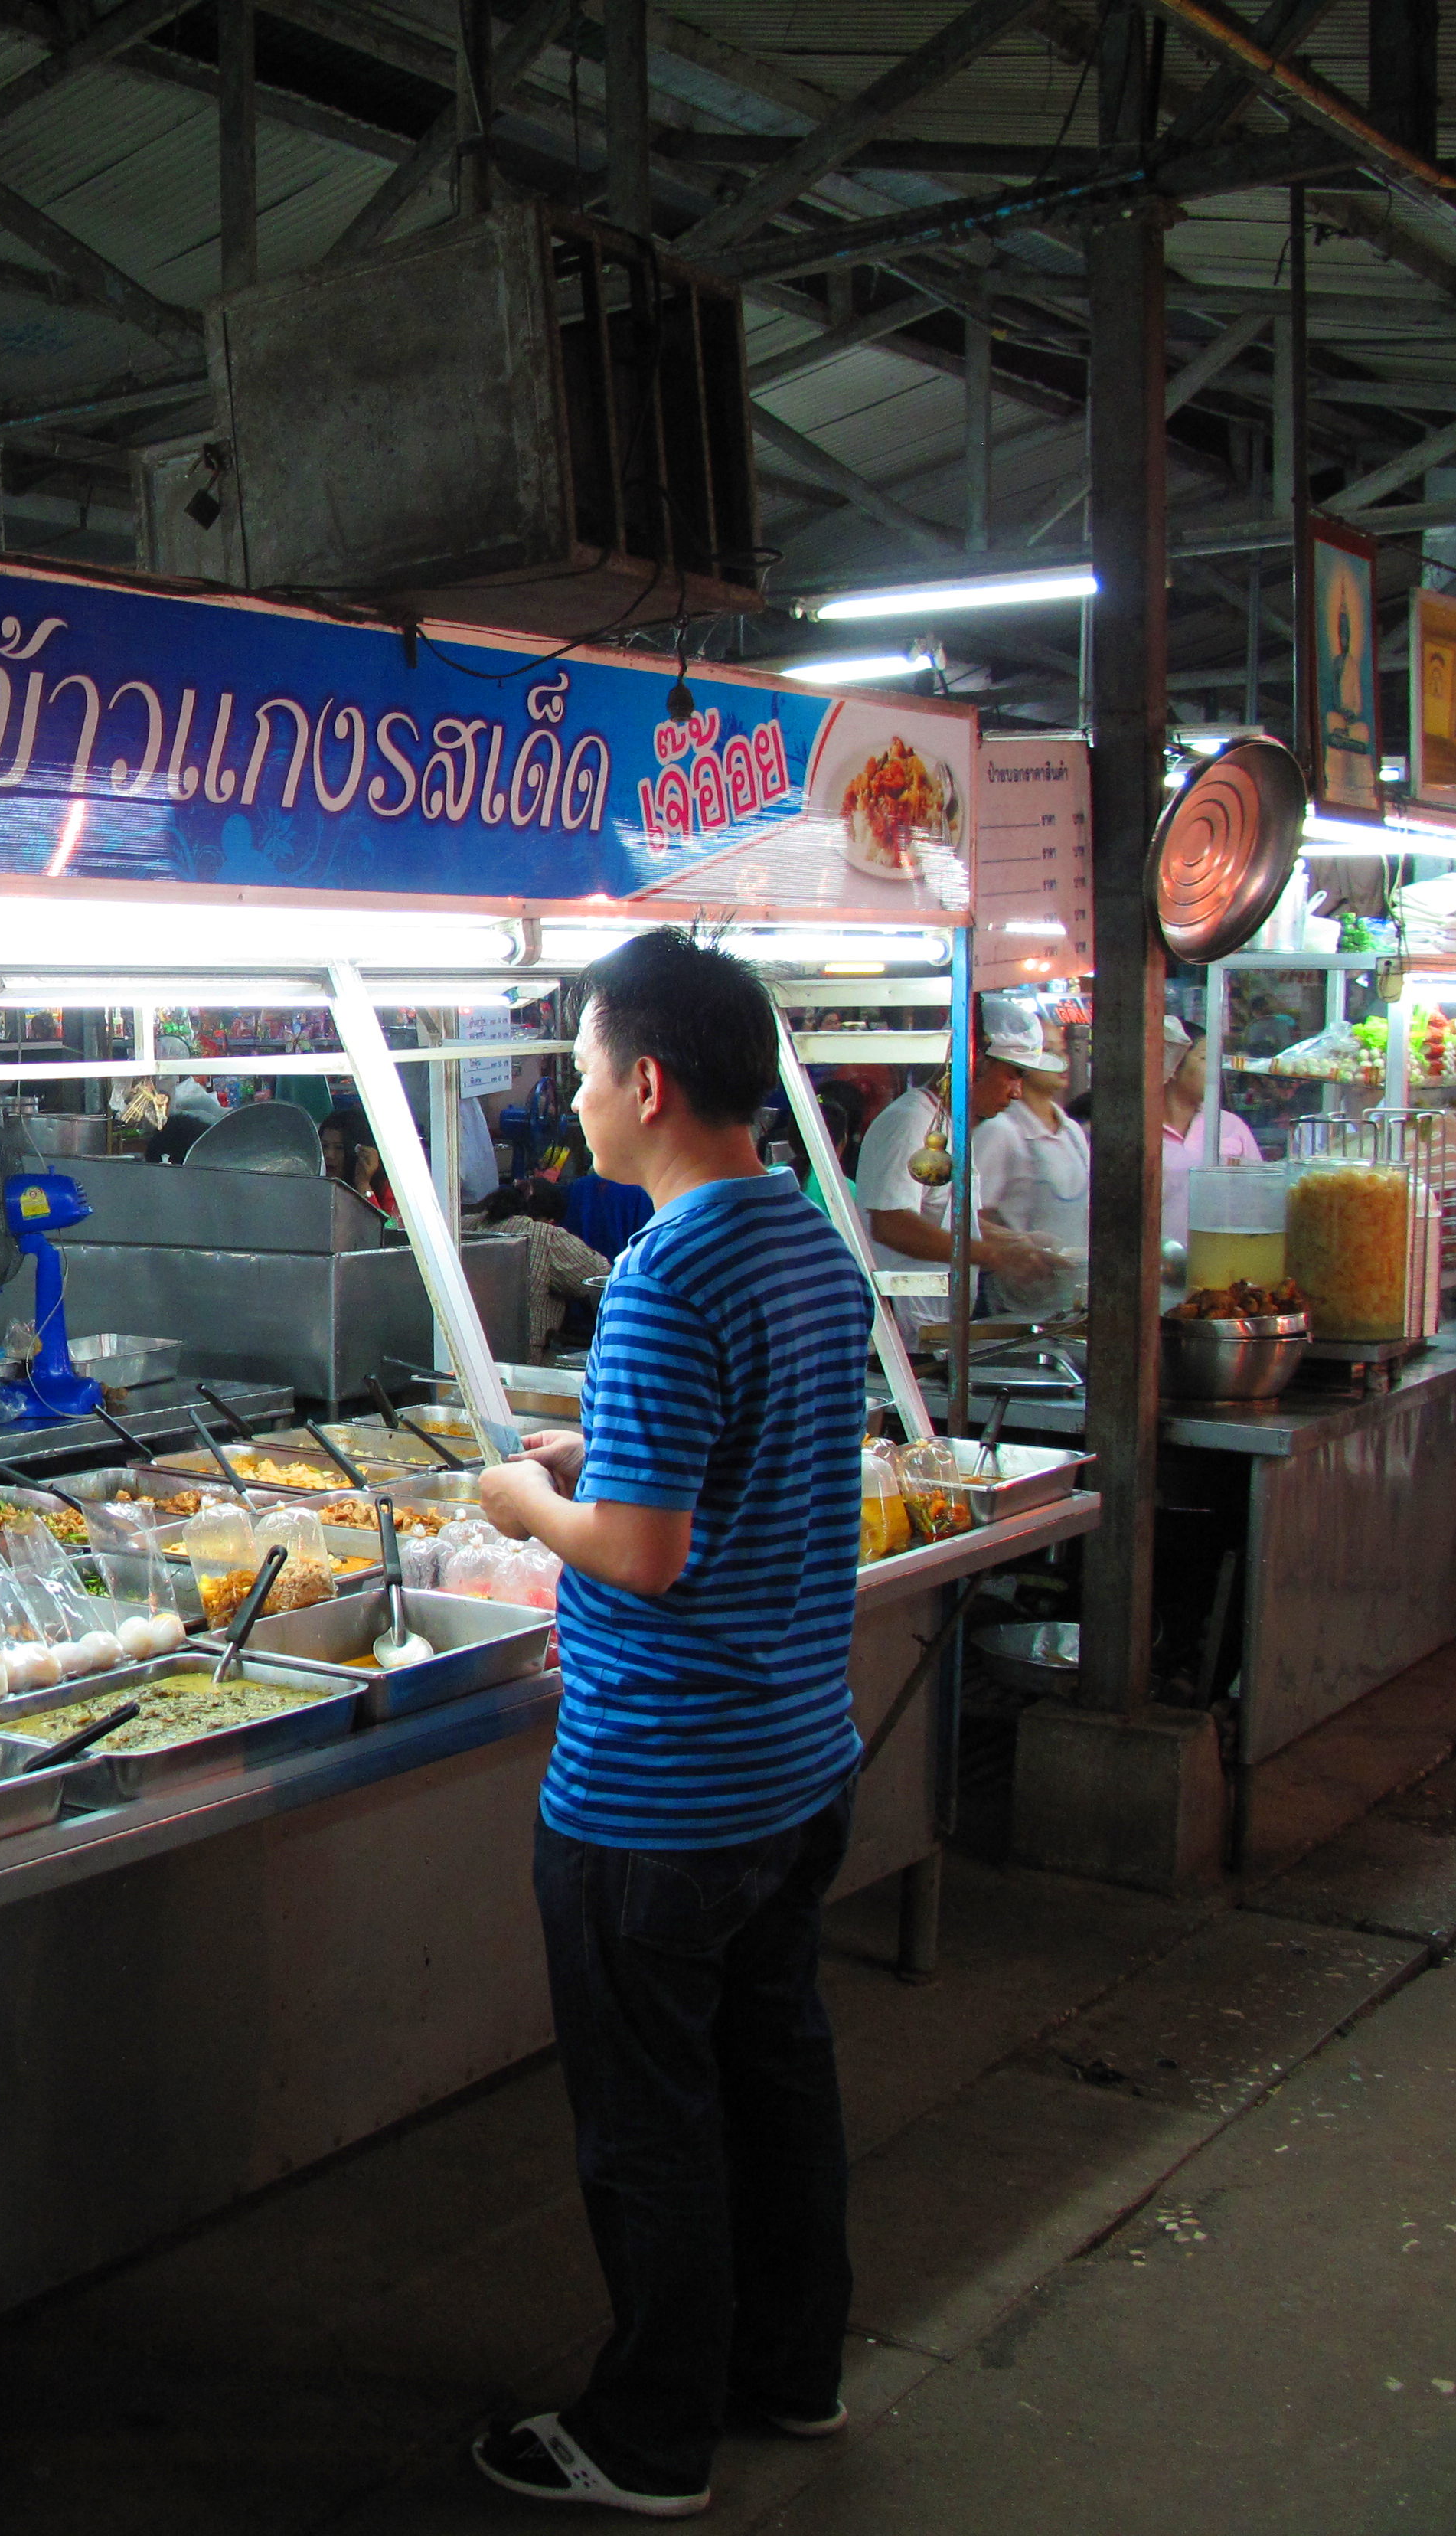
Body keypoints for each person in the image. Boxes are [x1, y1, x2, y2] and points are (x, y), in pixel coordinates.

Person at [468, 930, 875, 2520]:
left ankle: (645, 2441)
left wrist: (520, 1494)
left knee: (653, 2126)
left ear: (647, 1082)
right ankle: (795, 2369)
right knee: (778, 2081)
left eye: (579, 1070)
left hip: (660, 1793)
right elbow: (748, 1457)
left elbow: (643, 1552)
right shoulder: (809, 1248)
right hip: (798, 1761)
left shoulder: (662, 1269)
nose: (572, 1102)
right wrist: (613, 1441)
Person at [851, 1007, 1066, 1322]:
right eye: (1012, 1075)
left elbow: (946, 1221)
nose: (1017, 1092)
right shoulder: (910, 1122)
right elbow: (891, 1225)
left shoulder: (949, 1127)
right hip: (901, 1328)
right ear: (974, 1063)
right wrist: (997, 1256)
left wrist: (1019, 1243)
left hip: (936, 1326)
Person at [966, 1001, 1087, 1319]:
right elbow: (970, 1215)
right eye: (1048, 1050)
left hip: (1061, 1291)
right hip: (1012, 1297)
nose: (1060, 1060)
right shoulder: (1000, 1130)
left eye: (1060, 1049)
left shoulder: (1071, 1130)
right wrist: (1011, 1248)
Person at [1159, 1014, 1263, 1251]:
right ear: (1172, 1066)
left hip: (1222, 1263)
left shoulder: (1230, 1126)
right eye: (1205, 1058)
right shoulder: (1140, 1130)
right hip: (1157, 1267)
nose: (1216, 1069)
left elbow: (1259, 1197)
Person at [480, 1177, 609, 1354]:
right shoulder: (546, 1235)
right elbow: (598, 1277)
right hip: (523, 1357)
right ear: (550, 1219)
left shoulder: (461, 1222)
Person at [320, 1102, 395, 1217]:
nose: (329, 1155)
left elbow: (386, 1230)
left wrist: (363, 1185)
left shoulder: (387, 1188)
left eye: (340, 1148)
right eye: (324, 1146)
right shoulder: (315, 1184)